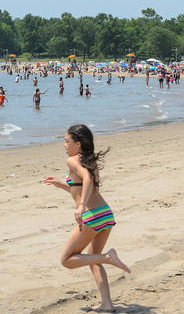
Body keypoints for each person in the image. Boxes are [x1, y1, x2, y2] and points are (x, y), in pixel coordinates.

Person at [42, 125, 130, 313]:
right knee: (92, 259)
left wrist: (81, 206)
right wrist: (61, 184)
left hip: (91, 215)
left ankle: (109, 257)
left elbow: (87, 179)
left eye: (67, 141)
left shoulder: (73, 161)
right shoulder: (90, 160)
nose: (64, 145)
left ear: (78, 144)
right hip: (105, 213)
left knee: (67, 260)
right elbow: (83, 188)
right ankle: (107, 304)